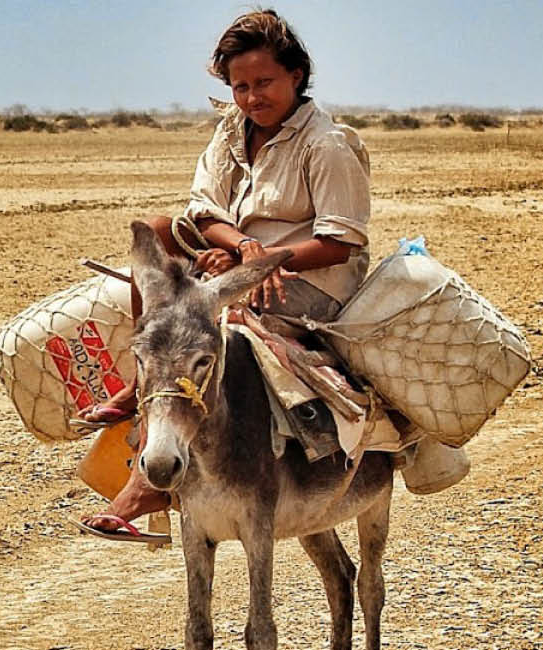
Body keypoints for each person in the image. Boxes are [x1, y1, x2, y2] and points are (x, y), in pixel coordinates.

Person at [74, 9, 381, 542]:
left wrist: (254, 263)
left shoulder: (326, 144)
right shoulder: (231, 132)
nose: (252, 97)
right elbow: (203, 210)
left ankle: (150, 483)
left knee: (222, 337)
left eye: (264, 83)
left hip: (307, 281)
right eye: (241, 86)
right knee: (156, 231)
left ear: (297, 76)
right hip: (244, 261)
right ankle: (141, 382)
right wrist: (238, 247)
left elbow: (341, 239)